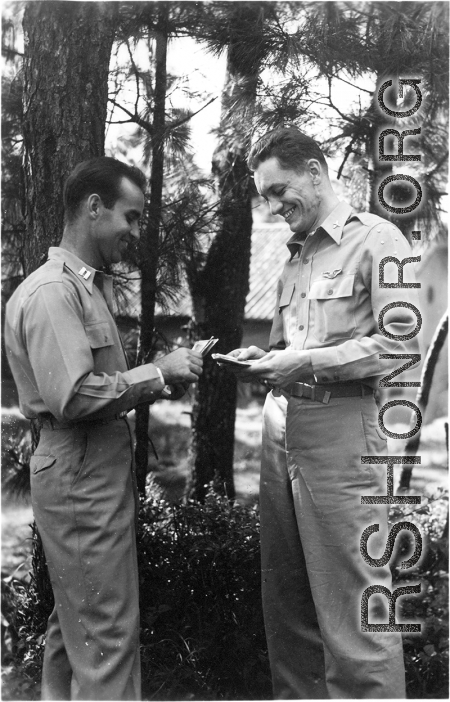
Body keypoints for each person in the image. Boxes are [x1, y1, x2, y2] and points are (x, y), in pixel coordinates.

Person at [223, 127, 421, 699]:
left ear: (315, 171)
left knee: (355, 607)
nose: (274, 205)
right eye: (266, 196)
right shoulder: (293, 254)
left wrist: (305, 362)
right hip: (283, 426)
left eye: (280, 189)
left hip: (343, 432)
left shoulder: (379, 240)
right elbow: (296, 350)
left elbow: (401, 345)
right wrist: (271, 359)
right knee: (287, 604)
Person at [4, 157, 203, 700]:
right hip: (80, 474)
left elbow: (94, 384)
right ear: (94, 208)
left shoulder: (81, 289)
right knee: (107, 635)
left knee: (76, 631)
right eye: (130, 217)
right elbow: (74, 396)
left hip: (88, 471)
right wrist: (158, 373)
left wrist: (163, 374)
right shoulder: (53, 294)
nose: (134, 232)